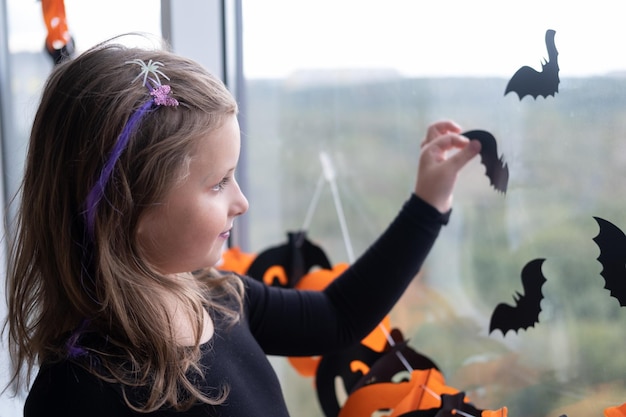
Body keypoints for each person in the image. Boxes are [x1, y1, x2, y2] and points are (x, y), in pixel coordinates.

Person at [4, 37, 481, 416]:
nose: (243, 202)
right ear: (126, 207)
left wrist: (428, 202)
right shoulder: (78, 390)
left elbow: (339, 315)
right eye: (218, 183)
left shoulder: (223, 298)